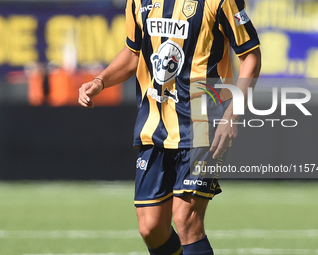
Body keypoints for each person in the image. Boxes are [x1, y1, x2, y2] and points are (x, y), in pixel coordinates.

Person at [78, 0, 261, 254]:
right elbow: (133, 53)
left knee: (186, 219)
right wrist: (100, 81)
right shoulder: (138, 2)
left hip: (203, 122)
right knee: (151, 228)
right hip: (154, 125)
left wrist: (233, 114)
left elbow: (250, 55)